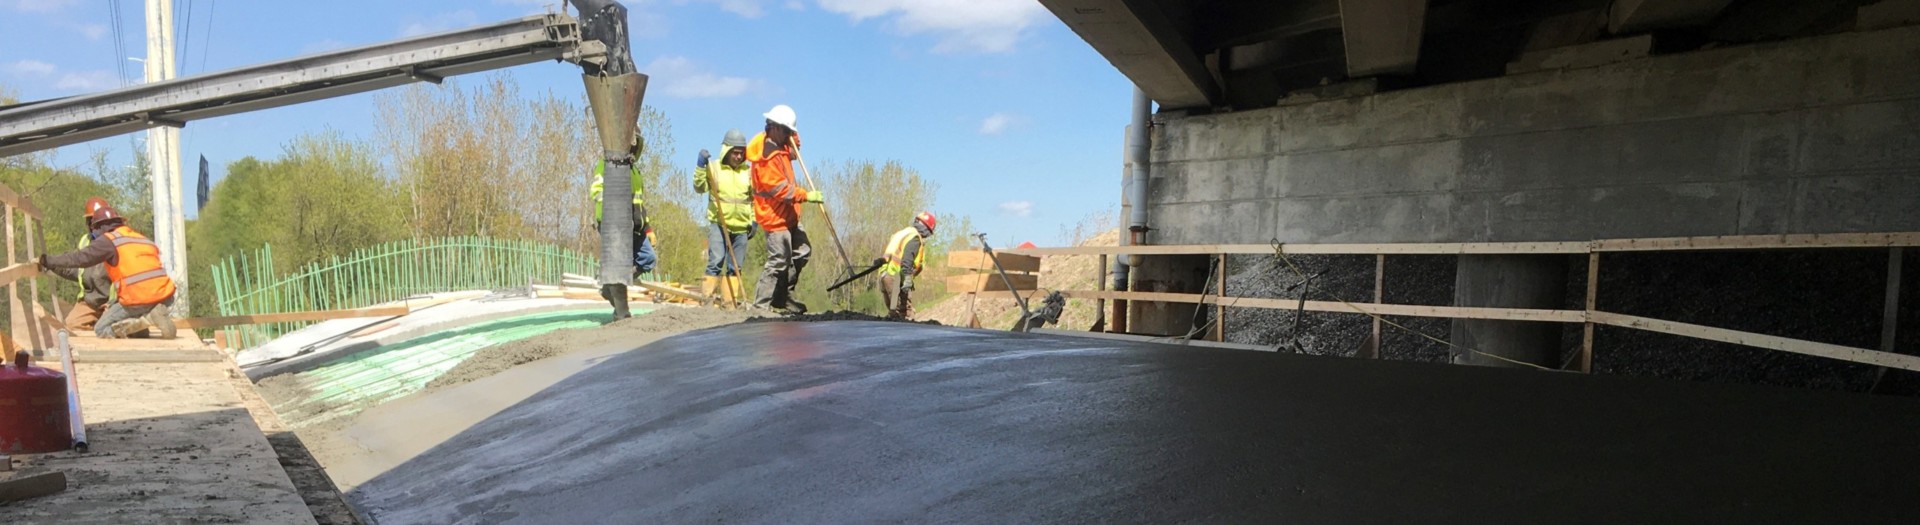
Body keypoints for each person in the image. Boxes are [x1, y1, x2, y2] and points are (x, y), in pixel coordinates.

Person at [37, 205, 177, 339]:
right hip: (165, 296)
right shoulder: (139, 238)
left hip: (138, 298)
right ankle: (142, 325)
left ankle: (149, 318)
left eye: (95, 229)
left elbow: (80, 258)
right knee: (133, 326)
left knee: (101, 329)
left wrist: (48, 260)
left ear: (101, 227)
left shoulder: (109, 240)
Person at [747, 104, 822, 314]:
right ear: (775, 127)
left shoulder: (781, 145)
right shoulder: (765, 156)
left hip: (789, 215)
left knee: (802, 251)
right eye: (787, 130)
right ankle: (761, 305)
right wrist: (806, 196)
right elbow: (781, 190)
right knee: (779, 258)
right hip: (774, 216)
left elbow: (795, 152)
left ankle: (783, 296)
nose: (790, 135)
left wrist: (793, 136)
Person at [694, 129, 755, 304]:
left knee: (735, 267)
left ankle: (729, 304)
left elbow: (754, 199)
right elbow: (699, 187)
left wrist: (755, 220)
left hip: (741, 227)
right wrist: (700, 166)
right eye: (735, 153)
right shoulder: (713, 168)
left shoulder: (748, 172)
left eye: (741, 153)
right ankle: (707, 300)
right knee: (716, 261)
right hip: (719, 224)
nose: (738, 156)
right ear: (727, 151)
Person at [590, 130, 657, 278]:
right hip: (615, 225)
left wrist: (648, 229)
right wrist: (612, 216)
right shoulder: (607, 164)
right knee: (618, 260)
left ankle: (624, 279)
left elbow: (639, 203)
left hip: (636, 228)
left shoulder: (635, 172)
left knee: (648, 258)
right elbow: (597, 191)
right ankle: (610, 281)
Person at [45, 198, 116, 331]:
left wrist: (114, 304)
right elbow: (77, 270)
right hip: (90, 302)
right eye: (91, 222)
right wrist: (52, 264)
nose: (93, 226)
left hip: (114, 302)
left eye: (97, 222)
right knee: (72, 325)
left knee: (124, 329)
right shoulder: (86, 241)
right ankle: (97, 327)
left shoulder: (116, 241)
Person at [879, 211, 936, 319]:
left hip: (885, 275)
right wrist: (908, 280)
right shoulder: (914, 238)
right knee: (905, 313)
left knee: (893, 313)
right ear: (927, 229)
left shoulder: (903, 233)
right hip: (896, 278)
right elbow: (907, 261)